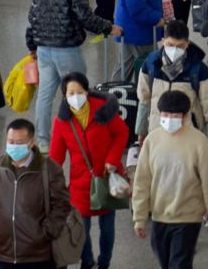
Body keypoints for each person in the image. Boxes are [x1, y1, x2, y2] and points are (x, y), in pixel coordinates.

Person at [0, 118, 77, 269]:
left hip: (41, 257)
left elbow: (62, 207)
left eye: (19, 143)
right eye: (10, 142)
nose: (13, 147)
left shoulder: (50, 170)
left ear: (31, 143)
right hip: (6, 256)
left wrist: (45, 233)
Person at [46, 72, 131, 269]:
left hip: (108, 178)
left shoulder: (103, 110)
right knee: (80, 228)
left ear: (87, 91)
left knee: (107, 227)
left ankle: (104, 262)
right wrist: (49, 182)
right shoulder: (62, 122)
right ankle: (87, 261)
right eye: (71, 93)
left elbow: (121, 133)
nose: (75, 97)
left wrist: (112, 159)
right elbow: (56, 156)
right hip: (80, 183)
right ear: (65, 96)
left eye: (80, 92)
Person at [25, 0, 118, 121]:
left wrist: (32, 44)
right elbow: (85, 17)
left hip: (43, 49)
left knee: (45, 96)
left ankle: (44, 141)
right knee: (76, 94)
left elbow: (33, 16)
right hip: (67, 49)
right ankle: (76, 135)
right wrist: (109, 27)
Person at [132, 88, 208, 268]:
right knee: (165, 263)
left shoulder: (199, 142)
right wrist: (140, 216)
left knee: (179, 264)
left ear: (186, 115)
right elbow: (142, 181)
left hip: (188, 218)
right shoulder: (152, 141)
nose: (169, 119)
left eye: (175, 115)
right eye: (165, 115)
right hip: (159, 217)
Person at [134, 21, 208, 141]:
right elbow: (144, 100)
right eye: (170, 45)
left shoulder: (199, 69)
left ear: (187, 44)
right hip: (157, 134)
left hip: (189, 137)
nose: (174, 50)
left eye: (179, 46)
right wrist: (141, 131)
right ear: (163, 40)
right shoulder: (151, 64)